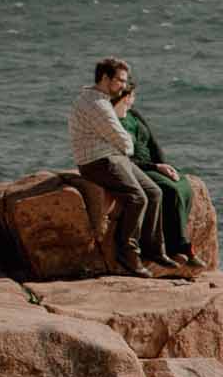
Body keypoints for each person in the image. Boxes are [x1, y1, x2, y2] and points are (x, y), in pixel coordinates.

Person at [68, 57, 163, 275]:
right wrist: (126, 148)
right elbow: (123, 140)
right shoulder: (96, 104)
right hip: (98, 161)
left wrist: (123, 149)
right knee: (137, 198)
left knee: (154, 192)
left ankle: (153, 250)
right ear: (105, 78)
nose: (123, 85)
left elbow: (118, 140)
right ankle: (128, 254)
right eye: (120, 80)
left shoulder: (99, 98)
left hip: (113, 156)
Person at [111, 85, 201, 269]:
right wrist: (155, 167)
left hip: (154, 164)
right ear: (125, 97)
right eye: (132, 95)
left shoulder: (134, 114)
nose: (133, 99)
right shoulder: (112, 122)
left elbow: (153, 142)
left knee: (184, 185)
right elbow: (123, 157)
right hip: (137, 167)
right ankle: (180, 246)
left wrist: (165, 165)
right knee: (170, 191)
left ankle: (173, 240)